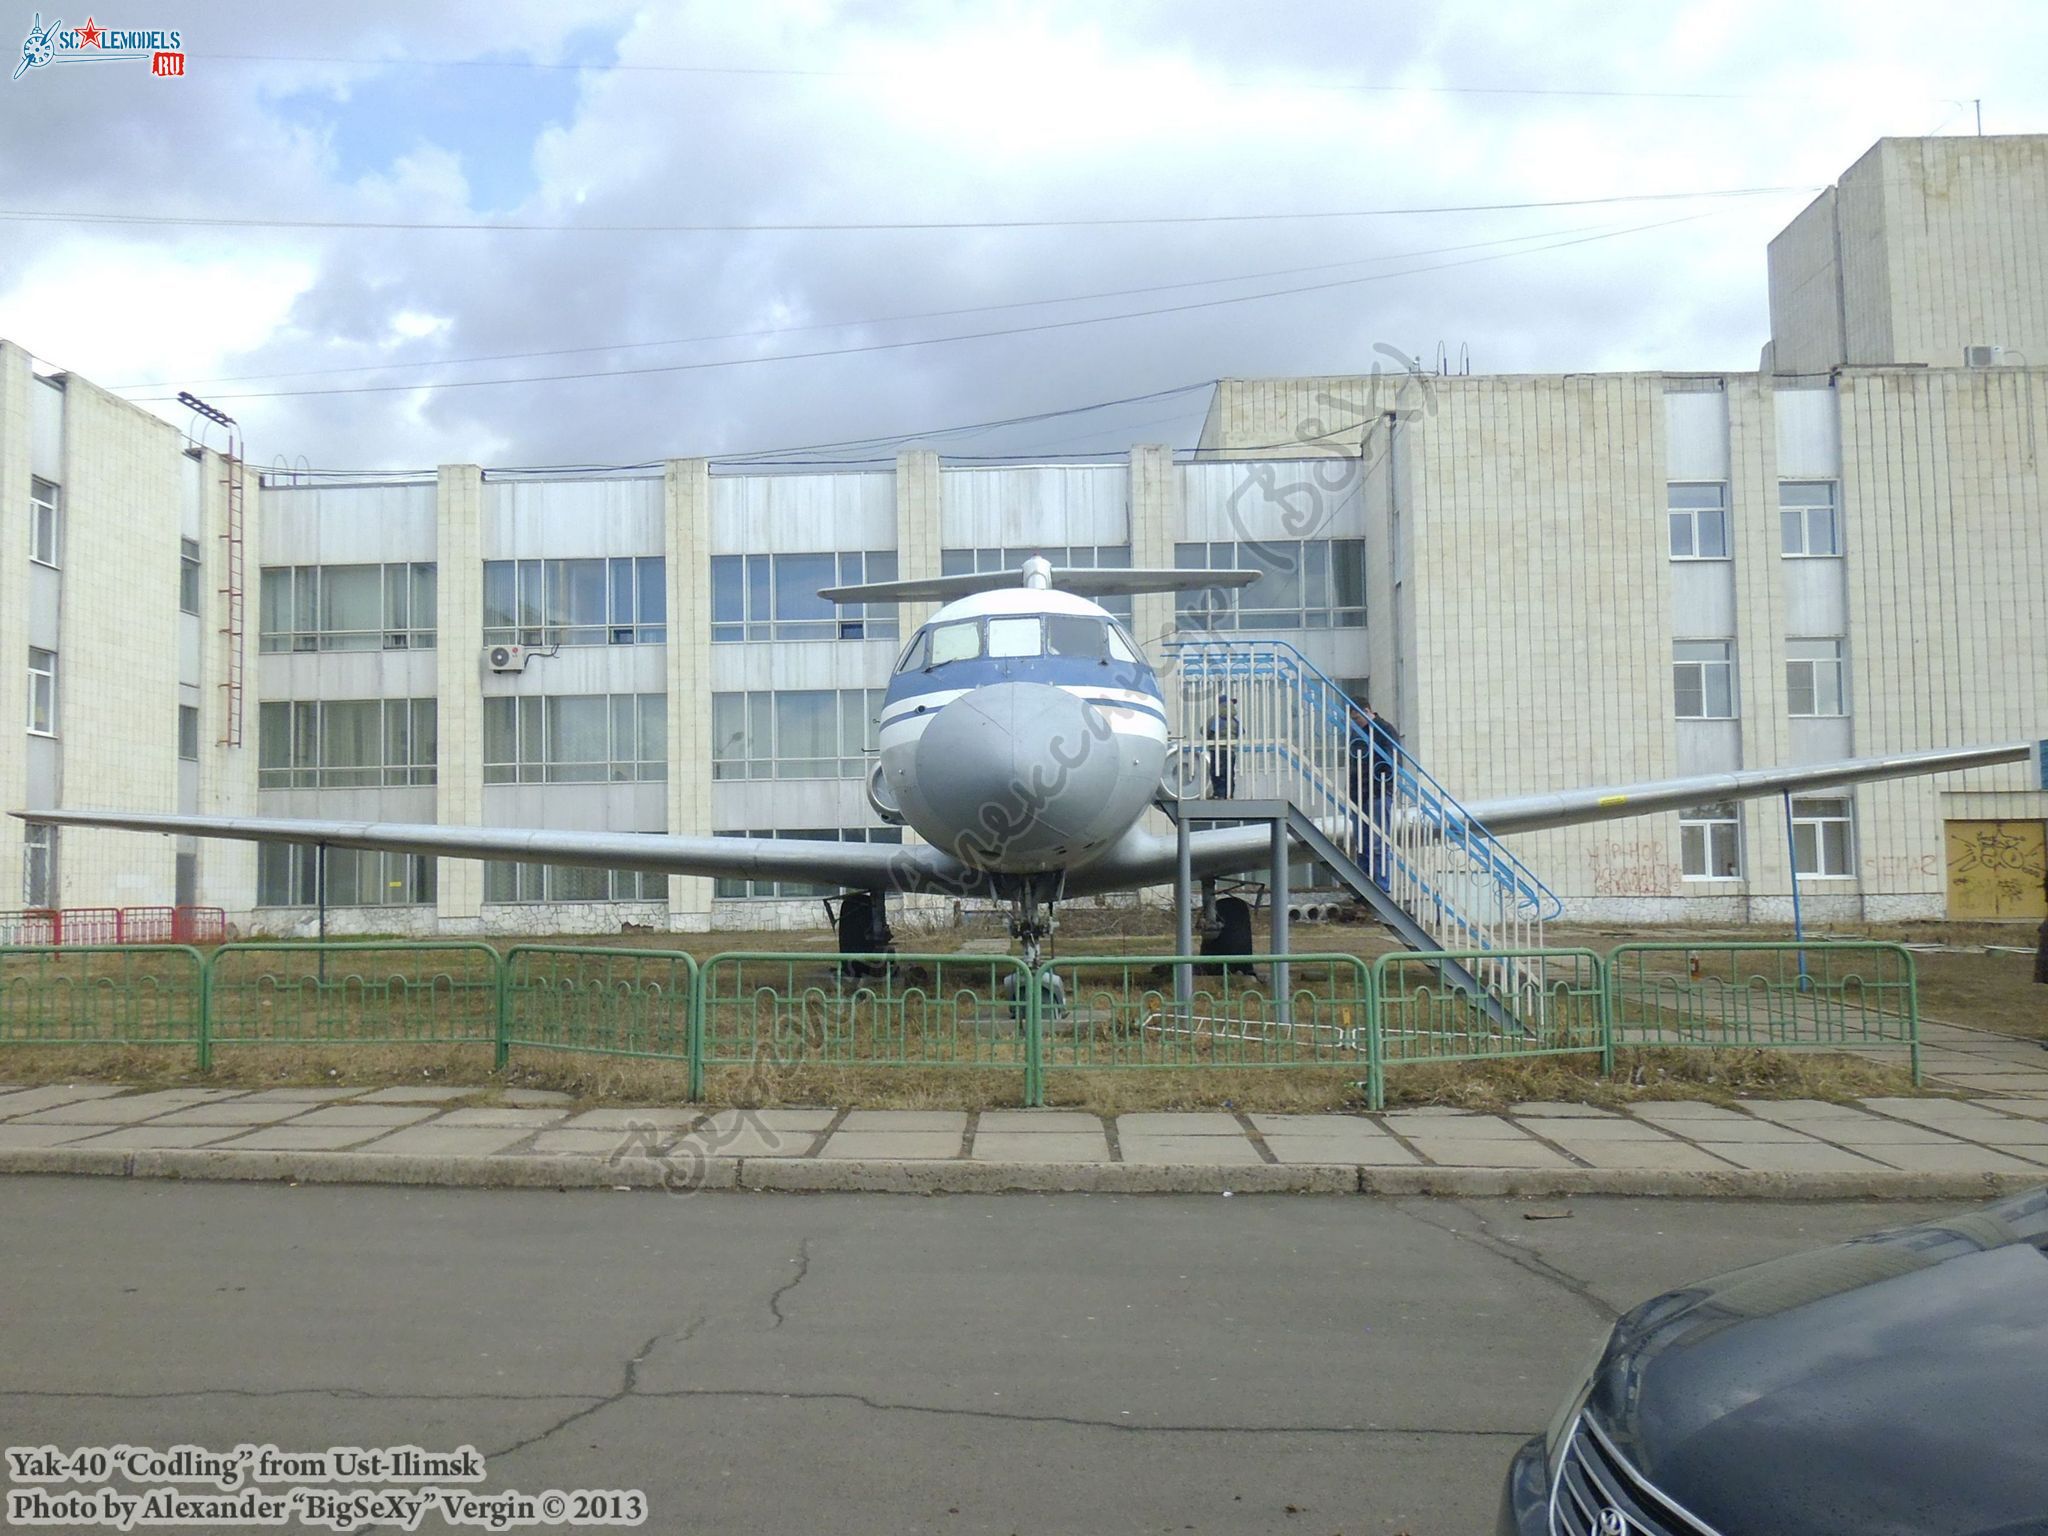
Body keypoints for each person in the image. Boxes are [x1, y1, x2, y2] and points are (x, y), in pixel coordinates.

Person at [1204, 695, 1239, 800]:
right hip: (1230, 750)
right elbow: (1240, 732)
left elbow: (1204, 730)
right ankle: (1229, 794)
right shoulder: (1234, 721)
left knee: (1216, 772)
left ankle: (1218, 794)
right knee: (1229, 773)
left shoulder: (1215, 719)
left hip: (1217, 750)